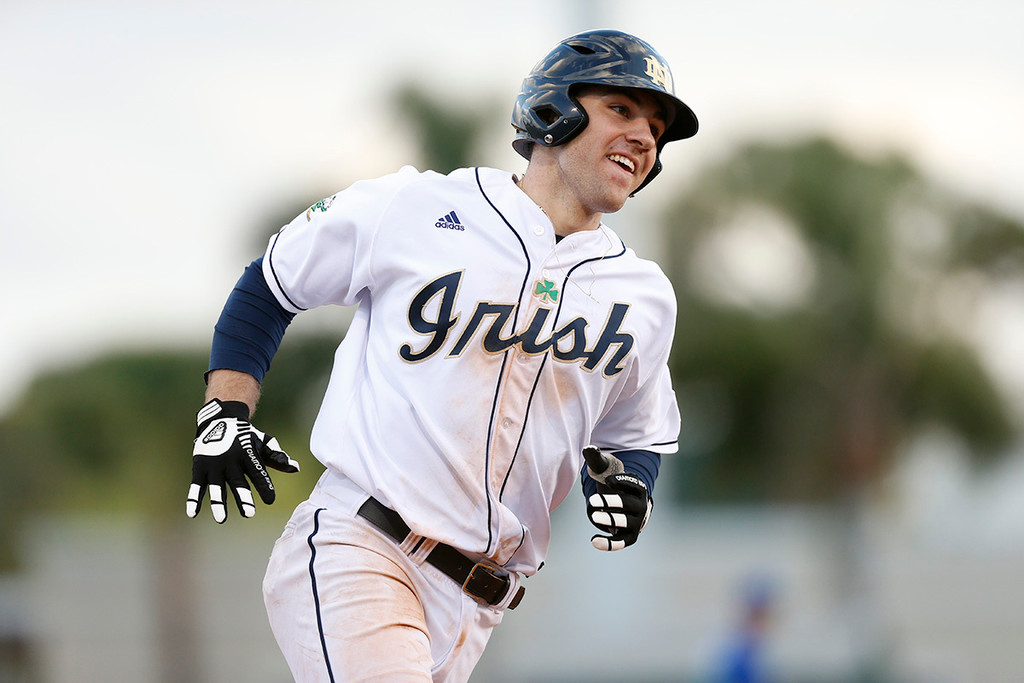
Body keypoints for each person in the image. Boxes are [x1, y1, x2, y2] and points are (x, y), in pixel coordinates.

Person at [187, 29, 698, 682]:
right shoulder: (418, 207)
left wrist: (634, 486)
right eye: (621, 109)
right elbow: (271, 283)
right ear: (555, 107)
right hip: (363, 546)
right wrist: (225, 412)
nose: (643, 136)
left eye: (656, 128)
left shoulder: (643, 295)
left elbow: (637, 434)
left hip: (475, 606)